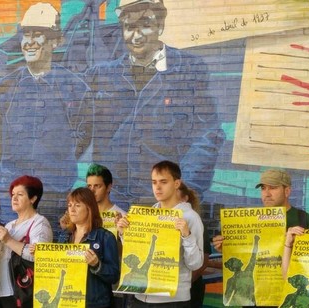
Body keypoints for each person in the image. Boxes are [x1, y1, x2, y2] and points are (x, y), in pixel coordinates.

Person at [85, 0, 223, 205]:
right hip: (114, 201)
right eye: (130, 27)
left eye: (145, 25)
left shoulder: (188, 70)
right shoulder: (103, 75)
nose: (137, 35)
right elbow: (78, 129)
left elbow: (207, 135)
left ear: (160, 25)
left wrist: (186, 191)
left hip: (163, 202)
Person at [0, 2, 92, 220]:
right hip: (11, 195)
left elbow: (83, 135)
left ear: (56, 40)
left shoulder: (75, 87)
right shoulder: (7, 87)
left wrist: (57, 162)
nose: (30, 42)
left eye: (39, 35)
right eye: (26, 35)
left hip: (54, 193)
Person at [117, 160, 203, 307]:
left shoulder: (190, 217)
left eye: (163, 182)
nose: (157, 187)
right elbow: (139, 253)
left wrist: (187, 236)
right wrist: (124, 234)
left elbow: (195, 264)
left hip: (172, 300)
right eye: (154, 182)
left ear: (176, 184)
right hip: (140, 294)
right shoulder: (148, 214)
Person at [212, 169, 309, 252]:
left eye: (273, 188)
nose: (267, 194)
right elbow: (245, 254)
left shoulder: (307, 220)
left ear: (287, 191)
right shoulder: (248, 221)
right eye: (263, 188)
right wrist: (227, 249)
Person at [0, 175, 53, 308]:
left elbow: (40, 256)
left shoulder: (40, 223)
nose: (14, 198)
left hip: (21, 292)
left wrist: (8, 240)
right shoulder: (9, 225)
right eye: (13, 194)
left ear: (33, 198)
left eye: (20, 194)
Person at [57, 187, 120, 308]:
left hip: (95, 304)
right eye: (70, 205)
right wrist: (39, 255)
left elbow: (114, 276)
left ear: (89, 208)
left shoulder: (105, 237)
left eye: (77, 205)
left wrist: (97, 265)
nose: (72, 209)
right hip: (68, 301)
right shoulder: (64, 236)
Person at [178, 183, 211, 308]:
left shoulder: (195, 221)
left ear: (185, 199)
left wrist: (186, 283)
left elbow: (204, 259)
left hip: (191, 287)